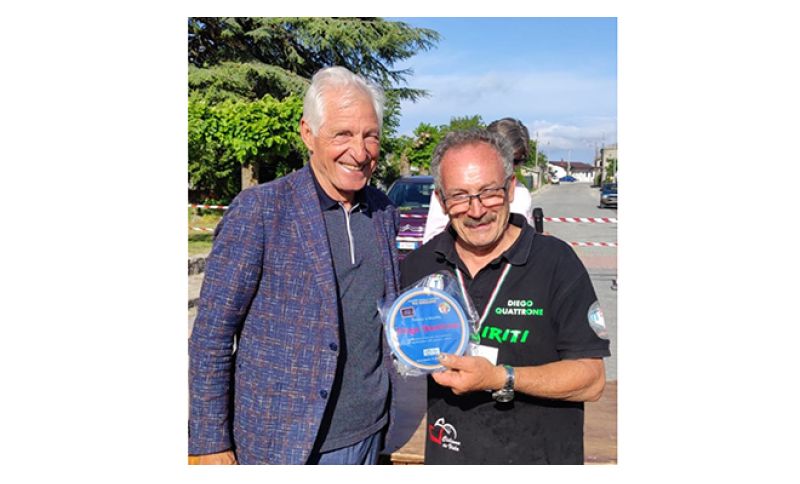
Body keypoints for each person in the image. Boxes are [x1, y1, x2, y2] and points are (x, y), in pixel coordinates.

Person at [188, 66, 402, 465]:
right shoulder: (261, 210)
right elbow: (212, 335)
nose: (359, 152)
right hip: (281, 444)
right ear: (308, 133)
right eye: (342, 134)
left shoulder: (383, 212)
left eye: (370, 135)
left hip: (370, 434)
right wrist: (209, 442)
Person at [400, 129, 610, 464]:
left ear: (511, 188)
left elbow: (592, 380)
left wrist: (501, 377)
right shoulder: (420, 266)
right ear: (441, 200)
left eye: (489, 192)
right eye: (460, 196)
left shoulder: (556, 262)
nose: (476, 210)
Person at [421, 118, 534, 244]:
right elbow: (432, 240)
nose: (477, 213)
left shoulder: (522, 194)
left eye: (516, 161)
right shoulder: (450, 192)